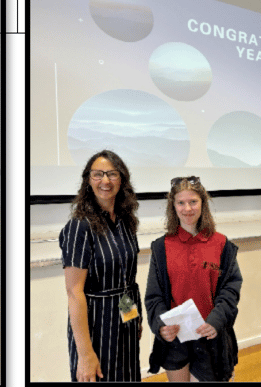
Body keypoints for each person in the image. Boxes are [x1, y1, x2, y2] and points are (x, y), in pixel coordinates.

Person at [145, 176, 242, 382]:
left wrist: (216, 321)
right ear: (173, 206)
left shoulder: (222, 244)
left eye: (193, 201)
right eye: (181, 202)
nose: (187, 208)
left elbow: (230, 290)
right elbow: (154, 296)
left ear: (203, 204)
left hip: (211, 337)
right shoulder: (161, 247)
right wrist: (162, 326)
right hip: (176, 341)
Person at [60, 149, 143, 382]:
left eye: (112, 174)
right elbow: (74, 292)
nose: (105, 181)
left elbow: (126, 281)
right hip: (97, 327)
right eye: (98, 174)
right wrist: (85, 354)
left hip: (125, 322)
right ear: (88, 180)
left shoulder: (126, 221)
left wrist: (135, 318)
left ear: (122, 180)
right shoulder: (79, 226)